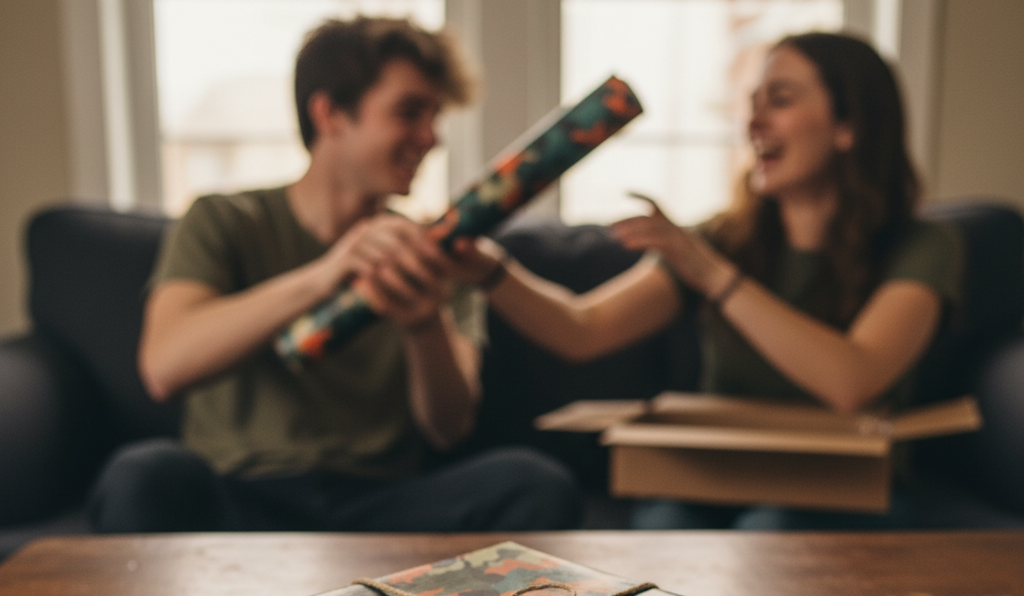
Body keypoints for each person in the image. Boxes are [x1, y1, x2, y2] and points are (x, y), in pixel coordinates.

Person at [447, 32, 961, 529]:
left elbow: (852, 382)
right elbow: (583, 330)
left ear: (850, 125)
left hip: (844, 489)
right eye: (752, 102)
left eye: (779, 101)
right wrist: (491, 270)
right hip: (717, 479)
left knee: (771, 532)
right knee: (668, 525)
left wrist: (713, 274)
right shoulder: (725, 238)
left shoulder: (922, 245)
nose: (753, 122)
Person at [89, 16, 581, 534]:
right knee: (140, 476)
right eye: (410, 112)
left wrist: (423, 324)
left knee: (534, 483)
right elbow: (166, 366)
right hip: (239, 496)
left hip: (381, 503)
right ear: (329, 114)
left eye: (435, 116)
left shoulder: (434, 251)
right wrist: (327, 273)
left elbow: (448, 429)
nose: (431, 137)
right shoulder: (224, 219)